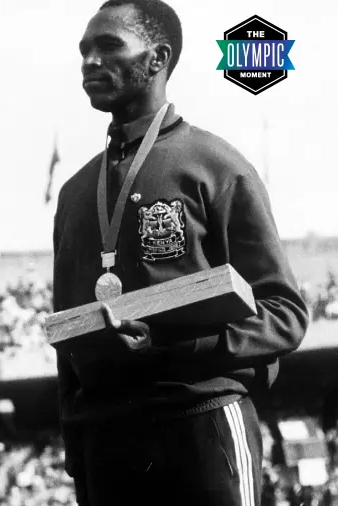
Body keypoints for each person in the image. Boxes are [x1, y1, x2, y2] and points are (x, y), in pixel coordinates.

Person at [52, 1, 309, 505]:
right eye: (84, 50)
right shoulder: (75, 192)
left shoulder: (215, 165)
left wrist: (178, 347)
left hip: (202, 419)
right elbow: (69, 336)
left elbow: (285, 313)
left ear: (157, 58)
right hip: (105, 440)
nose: (89, 61)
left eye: (108, 46)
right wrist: (75, 445)